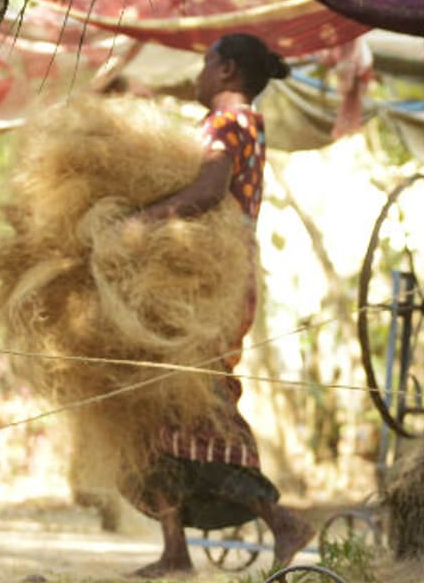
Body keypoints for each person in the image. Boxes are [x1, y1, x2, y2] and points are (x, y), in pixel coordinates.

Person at [126, 33, 314, 577]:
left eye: (205, 63)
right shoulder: (240, 125)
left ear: (227, 69)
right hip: (208, 279)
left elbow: (208, 191)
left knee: (200, 401)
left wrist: (142, 221)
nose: (198, 74)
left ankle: (282, 521)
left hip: (216, 284)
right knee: (159, 403)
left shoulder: (229, 124)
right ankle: (175, 553)